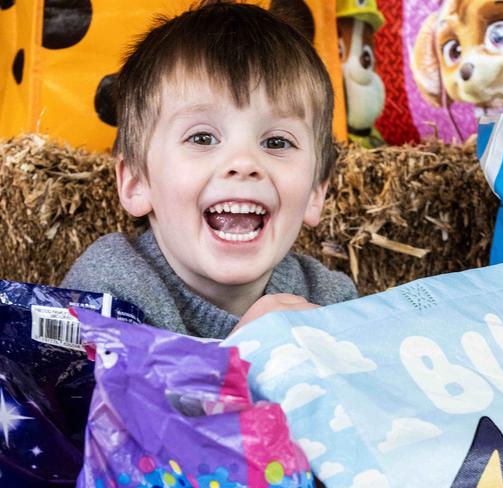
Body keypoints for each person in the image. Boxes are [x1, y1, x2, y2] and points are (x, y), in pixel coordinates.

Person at [61, 1, 357, 339]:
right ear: (136, 182)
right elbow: (99, 391)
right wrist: (245, 350)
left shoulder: (330, 302)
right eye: (202, 137)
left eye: (277, 143)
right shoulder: (108, 292)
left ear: (316, 192)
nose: (244, 163)